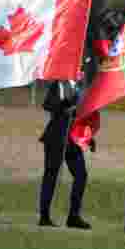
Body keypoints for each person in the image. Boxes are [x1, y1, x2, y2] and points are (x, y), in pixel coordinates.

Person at [38, 75, 91, 229]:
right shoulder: (58, 84)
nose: (81, 70)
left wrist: (88, 138)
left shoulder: (78, 87)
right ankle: (44, 216)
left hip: (72, 138)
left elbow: (80, 113)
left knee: (81, 175)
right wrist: (65, 104)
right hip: (56, 136)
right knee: (51, 175)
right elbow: (48, 105)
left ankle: (74, 217)